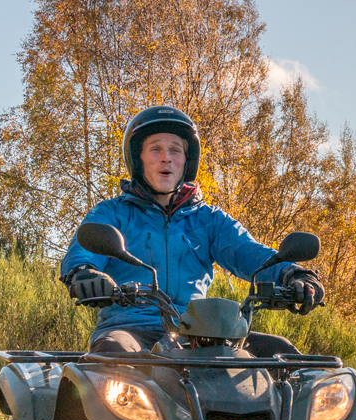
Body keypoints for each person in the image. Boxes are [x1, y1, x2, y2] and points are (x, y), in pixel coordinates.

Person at [60, 105, 324, 355]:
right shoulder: (111, 213)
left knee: (282, 354)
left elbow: (250, 253)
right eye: (155, 149)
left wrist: (293, 273)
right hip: (131, 329)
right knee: (113, 352)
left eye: (175, 150)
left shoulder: (210, 219)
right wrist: (84, 274)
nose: (166, 158)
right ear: (137, 160)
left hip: (200, 334)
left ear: (187, 161)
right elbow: (84, 252)